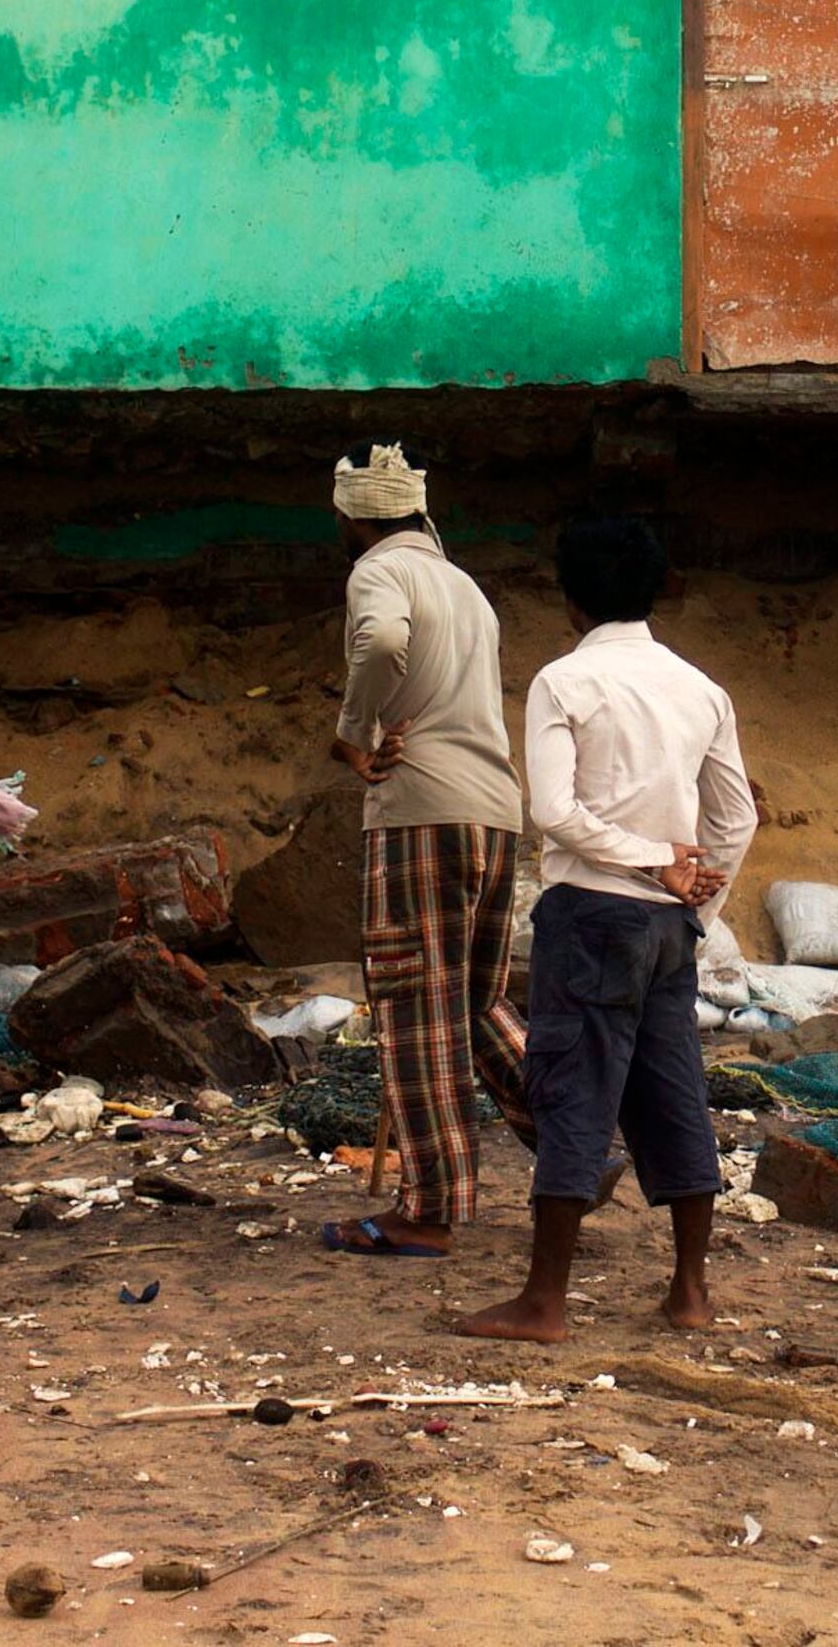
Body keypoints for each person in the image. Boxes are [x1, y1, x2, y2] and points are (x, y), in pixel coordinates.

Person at [456, 515, 757, 1344]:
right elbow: (735, 820)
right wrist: (693, 901)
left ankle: (543, 1302)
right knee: (672, 1095)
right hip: (670, 930)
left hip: (590, 914)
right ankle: (690, 1290)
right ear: (657, 589)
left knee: (573, 1095)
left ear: (571, 599)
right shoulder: (701, 688)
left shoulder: (563, 681)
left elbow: (552, 810)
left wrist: (649, 859)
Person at [316, 442, 530, 1259]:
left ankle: (428, 1211)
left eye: (340, 514)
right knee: (474, 1006)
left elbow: (377, 646)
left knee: (415, 1011)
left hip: (419, 814)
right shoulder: (467, 587)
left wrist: (353, 736)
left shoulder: (377, 572)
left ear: (360, 516)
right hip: (496, 812)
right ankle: (583, 1148)